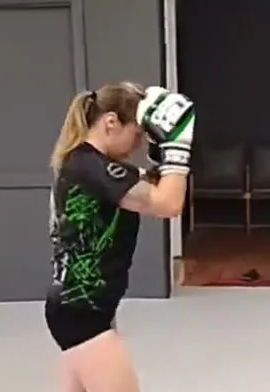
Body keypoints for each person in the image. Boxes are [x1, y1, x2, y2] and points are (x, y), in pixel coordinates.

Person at [46, 82, 195, 392]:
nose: (138, 144)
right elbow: (168, 204)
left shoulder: (88, 164)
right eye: (137, 134)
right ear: (111, 122)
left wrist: (160, 155)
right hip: (82, 313)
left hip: (81, 308)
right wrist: (178, 147)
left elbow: (150, 186)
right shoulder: (91, 167)